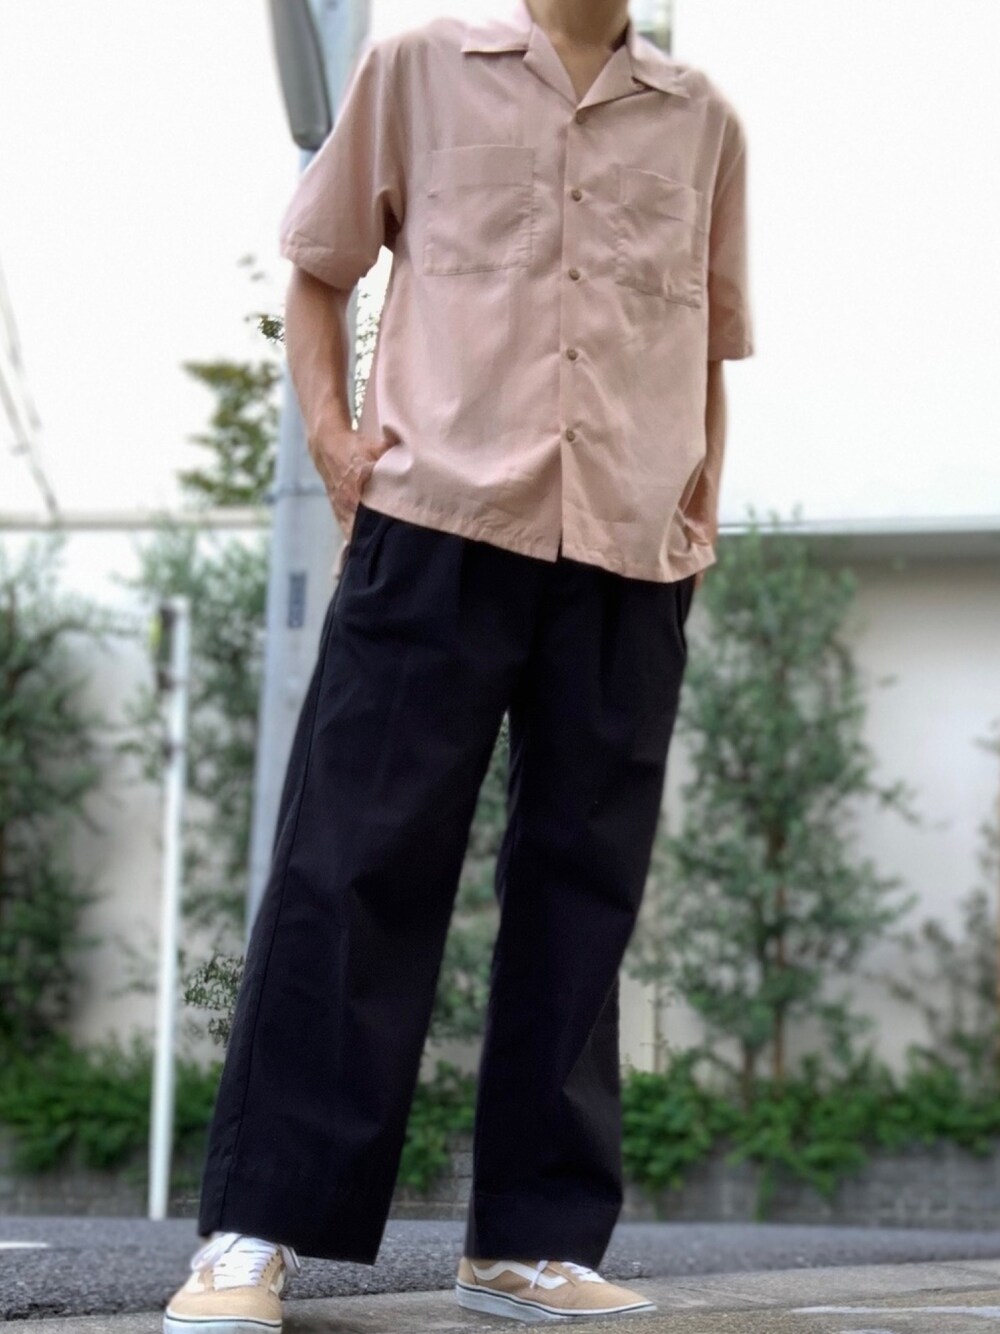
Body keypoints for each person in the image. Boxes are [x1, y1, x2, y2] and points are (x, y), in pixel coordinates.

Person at [163, 0, 753, 1328]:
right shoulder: (418, 69)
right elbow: (318, 268)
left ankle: (530, 1243)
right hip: (434, 526)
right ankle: (255, 1230)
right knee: (351, 865)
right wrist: (334, 442)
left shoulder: (704, 121)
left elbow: (705, 348)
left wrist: (699, 510)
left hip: (630, 550)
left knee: (584, 892)